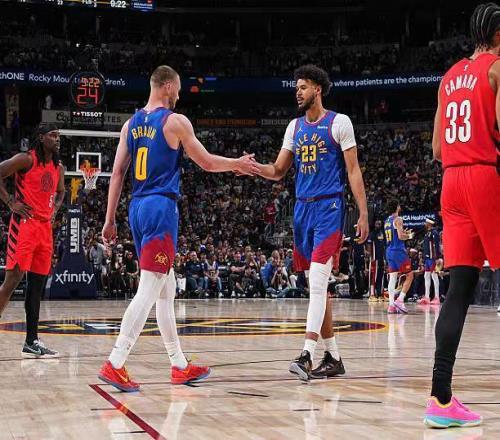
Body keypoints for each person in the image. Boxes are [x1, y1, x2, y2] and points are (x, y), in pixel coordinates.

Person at [98, 65, 258, 391]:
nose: (180, 95)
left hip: (136, 207)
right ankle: (115, 361)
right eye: (179, 89)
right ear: (168, 86)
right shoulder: (174, 121)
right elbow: (207, 162)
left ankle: (179, 364)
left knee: (166, 288)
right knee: (149, 287)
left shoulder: (130, 125)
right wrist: (237, 164)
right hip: (160, 207)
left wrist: (109, 218)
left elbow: (116, 174)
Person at [253, 64, 369, 381]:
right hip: (302, 210)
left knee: (318, 283)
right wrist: (252, 168)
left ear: (317, 88)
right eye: (296, 88)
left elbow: (353, 171)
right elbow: (278, 170)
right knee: (315, 288)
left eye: (302, 87)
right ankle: (334, 357)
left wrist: (363, 213)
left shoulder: (339, 122)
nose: (298, 92)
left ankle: (306, 355)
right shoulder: (294, 127)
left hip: (329, 208)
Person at [424, 3, 500, 428]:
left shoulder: (449, 77)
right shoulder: (497, 69)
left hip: (451, 182)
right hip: (485, 176)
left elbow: (436, 148)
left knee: (459, 289)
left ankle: (440, 399)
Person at [0, 123, 65, 357]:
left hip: (45, 228)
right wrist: (10, 202)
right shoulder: (26, 159)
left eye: (58, 136)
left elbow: (61, 192)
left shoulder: (59, 167)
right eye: (52, 135)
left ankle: (31, 341)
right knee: (13, 279)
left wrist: (55, 209)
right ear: (41, 137)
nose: (57, 139)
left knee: (36, 287)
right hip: (25, 225)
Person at [383, 200, 414, 314]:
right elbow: (400, 237)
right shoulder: (398, 219)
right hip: (398, 251)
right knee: (410, 275)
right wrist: (409, 236)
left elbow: (396, 234)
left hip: (389, 250)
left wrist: (404, 232)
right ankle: (400, 300)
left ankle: (391, 305)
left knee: (393, 277)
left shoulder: (387, 221)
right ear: (397, 207)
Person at [418, 219, 441, 305]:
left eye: (426, 222)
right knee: (426, 276)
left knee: (434, 276)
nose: (425, 224)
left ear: (429, 223)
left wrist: (437, 257)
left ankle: (437, 297)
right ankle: (427, 297)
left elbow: (436, 245)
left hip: (433, 258)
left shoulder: (434, 232)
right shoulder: (427, 233)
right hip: (427, 258)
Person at [367, 219, 385, 302]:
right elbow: (369, 245)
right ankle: (372, 294)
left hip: (381, 258)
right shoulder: (372, 234)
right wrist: (371, 257)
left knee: (381, 276)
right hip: (374, 258)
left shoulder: (383, 233)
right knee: (373, 277)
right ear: (374, 224)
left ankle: (380, 294)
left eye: (379, 224)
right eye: (377, 224)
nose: (378, 225)